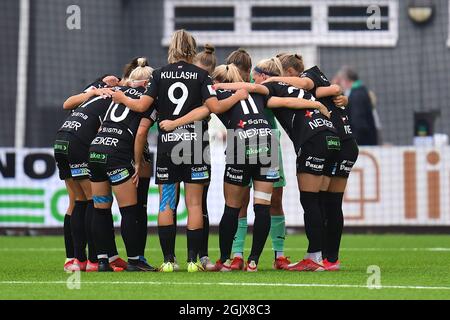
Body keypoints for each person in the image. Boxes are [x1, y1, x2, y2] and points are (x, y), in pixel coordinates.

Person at [167, 63, 330, 271]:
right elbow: (287, 101)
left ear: (217, 81)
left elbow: (201, 111)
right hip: (267, 140)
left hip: (240, 139)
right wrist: (317, 106)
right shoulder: (258, 92)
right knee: (262, 206)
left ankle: (225, 260)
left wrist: (173, 124)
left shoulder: (216, 93)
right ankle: (253, 261)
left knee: (232, 207)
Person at [115, 30, 239, 272]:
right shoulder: (202, 75)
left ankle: (169, 261)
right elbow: (213, 107)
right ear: (193, 50)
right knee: (194, 205)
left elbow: (141, 105)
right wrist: (238, 96)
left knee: (166, 204)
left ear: (171, 48)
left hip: (168, 142)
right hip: (194, 143)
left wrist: (122, 98)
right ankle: (193, 261)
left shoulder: (159, 75)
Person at [264, 58, 358, 271]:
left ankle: (316, 256)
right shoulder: (321, 82)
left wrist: (272, 81)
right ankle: (329, 259)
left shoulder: (306, 79)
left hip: (333, 141)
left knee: (317, 201)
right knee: (330, 203)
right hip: (345, 141)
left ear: (289, 72)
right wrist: (337, 93)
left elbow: (308, 86)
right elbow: (332, 90)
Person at [90, 60, 157, 272]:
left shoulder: (119, 91)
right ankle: (135, 260)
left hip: (96, 149)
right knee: (129, 211)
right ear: (149, 83)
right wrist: (137, 162)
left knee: (100, 209)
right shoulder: (149, 101)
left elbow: (101, 123)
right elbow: (140, 133)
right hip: (117, 154)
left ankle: (102, 260)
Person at [226, 53, 291, 271]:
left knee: (274, 201)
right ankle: (238, 254)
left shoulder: (267, 91)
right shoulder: (249, 89)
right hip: (245, 145)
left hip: (270, 145)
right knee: (242, 201)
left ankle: (278, 254)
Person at [55, 75, 121, 272]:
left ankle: (75, 259)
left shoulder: (99, 89)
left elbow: (68, 103)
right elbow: (67, 103)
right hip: (79, 142)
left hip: (63, 138)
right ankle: (93, 259)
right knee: (94, 201)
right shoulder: (112, 93)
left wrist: (94, 90)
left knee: (77, 201)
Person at [333, 66, 378, 146]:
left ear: (345, 80)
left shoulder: (356, 96)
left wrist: (351, 142)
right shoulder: (361, 91)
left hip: (362, 144)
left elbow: (359, 122)